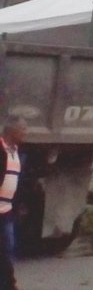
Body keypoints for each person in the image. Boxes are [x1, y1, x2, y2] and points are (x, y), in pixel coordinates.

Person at [1, 115, 28, 290]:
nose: (26, 132)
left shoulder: (16, 151)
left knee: (7, 250)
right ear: (12, 130)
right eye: (23, 129)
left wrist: (19, 205)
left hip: (6, 211)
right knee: (4, 252)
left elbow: (16, 180)